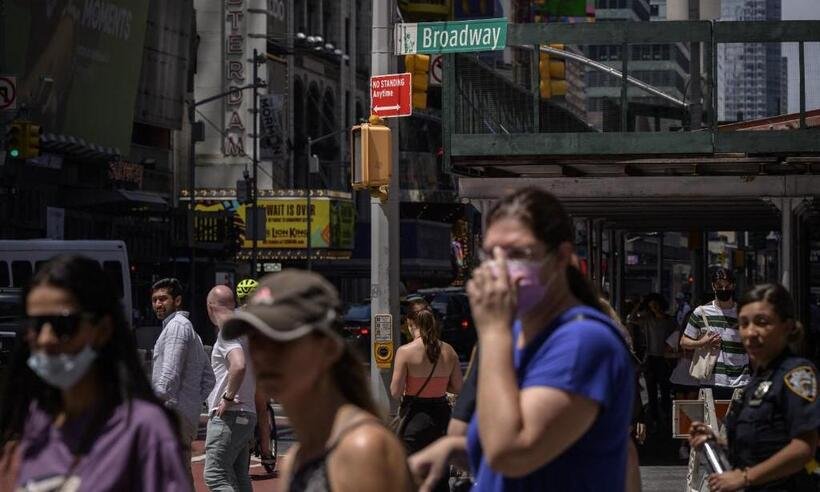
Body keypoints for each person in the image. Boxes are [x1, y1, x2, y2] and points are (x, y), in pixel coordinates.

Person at [408, 187, 634, 492]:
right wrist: (455, 451)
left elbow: (511, 451)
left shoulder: (584, 341)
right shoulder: (516, 335)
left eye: (517, 254)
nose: (499, 268)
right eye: (490, 254)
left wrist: (492, 332)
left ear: (562, 258)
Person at [0, 255, 190, 491]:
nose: (46, 339)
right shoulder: (33, 423)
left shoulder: (143, 430)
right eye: (35, 326)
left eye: (64, 325)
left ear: (102, 330)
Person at [222, 270, 414, 492]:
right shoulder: (300, 456)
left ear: (328, 348)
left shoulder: (362, 448)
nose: (263, 355)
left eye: (281, 341)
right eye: (255, 340)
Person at [689, 283, 820, 491]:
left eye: (762, 322)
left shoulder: (797, 374)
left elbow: (804, 447)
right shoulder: (756, 382)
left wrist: (745, 477)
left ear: (787, 326)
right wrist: (716, 441)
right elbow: (758, 442)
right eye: (743, 324)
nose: (750, 332)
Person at [151, 277, 215, 480]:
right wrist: (192, 401)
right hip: (182, 414)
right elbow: (209, 378)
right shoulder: (188, 329)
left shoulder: (177, 327)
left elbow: (169, 375)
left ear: (177, 301)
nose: (158, 304)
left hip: (172, 415)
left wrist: (149, 404)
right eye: (154, 300)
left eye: (163, 299)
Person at [204, 285, 257, 491]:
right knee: (238, 473)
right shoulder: (244, 331)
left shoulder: (227, 332)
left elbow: (239, 364)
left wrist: (227, 397)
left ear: (210, 307)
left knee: (215, 475)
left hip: (229, 415)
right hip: (246, 412)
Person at [390, 307, 463, 454]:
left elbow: (395, 392)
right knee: (440, 465)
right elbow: (458, 387)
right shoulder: (449, 351)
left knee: (412, 466)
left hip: (414, 416)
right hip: (441, 415)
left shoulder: (405, 352)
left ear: (411, 324)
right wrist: (439, 385)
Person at [680, 268, 749, 400]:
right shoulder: (701, 312)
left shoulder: (743, 313)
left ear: (733, 286)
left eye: (727, 286)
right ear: (713, 286)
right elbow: (684, 342)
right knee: (712, 420)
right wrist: (701, 342)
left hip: (741, 381)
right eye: (719, 286)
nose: (723, 289)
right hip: (711, 381)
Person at [236, 277, 275, 473]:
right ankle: (267, 454)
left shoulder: (231, 318)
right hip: (258, 372)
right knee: (261, 411)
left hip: (238, 373)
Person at [639, 293, 677, 429]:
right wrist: (640, 303)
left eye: (656, 305)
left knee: (665, 389)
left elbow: (676, 337)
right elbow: (631, 319)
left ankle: (666, 416)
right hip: (650, 359)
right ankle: (654, 418)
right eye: (651, 306)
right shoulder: (647, 320)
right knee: (651, 391)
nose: (654, 308)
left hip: (664, 359)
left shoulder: (670, 321)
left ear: (661, 305)